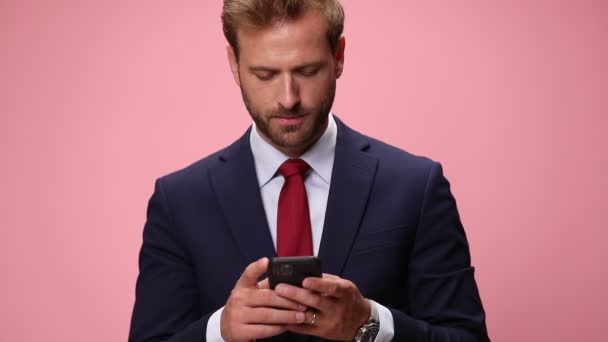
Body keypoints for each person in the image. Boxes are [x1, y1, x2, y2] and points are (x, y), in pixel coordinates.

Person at [129, 1, 490, 341]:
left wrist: (370, 324)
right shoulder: (178, 201)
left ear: (339, 57)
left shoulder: (416, 187)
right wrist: (219, 332)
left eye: (307, 70)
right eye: (265, 74)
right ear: (234, 65)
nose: (288, 98)